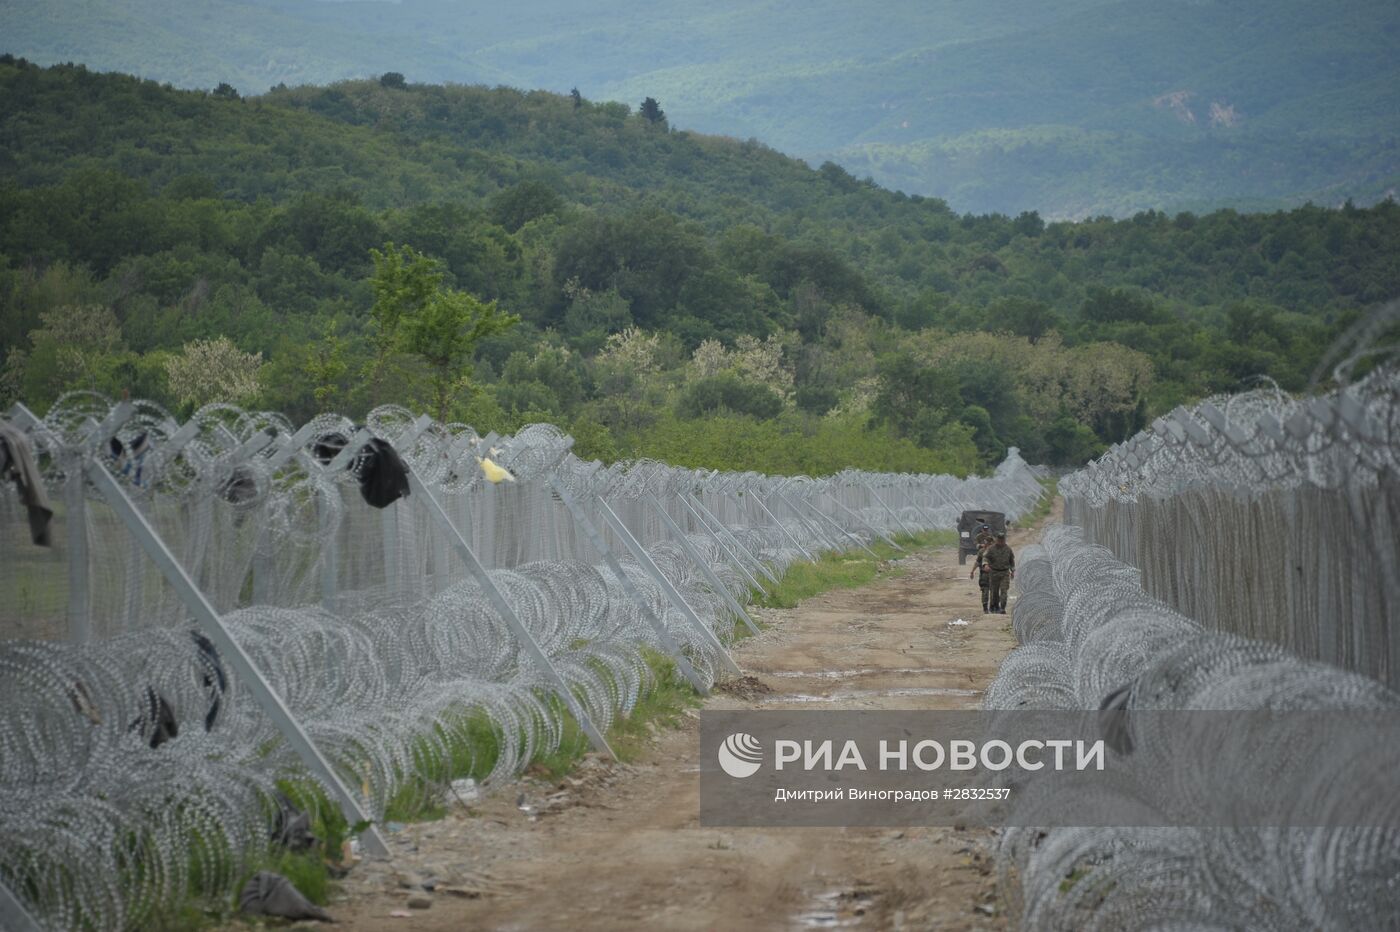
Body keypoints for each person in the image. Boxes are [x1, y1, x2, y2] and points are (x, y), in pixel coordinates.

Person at [983, 530, 1015, 614]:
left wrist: (1013, 570)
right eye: (999, 540)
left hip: (1004, 573)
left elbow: (1011, 561)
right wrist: (985, 565)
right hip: (994, 573)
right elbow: (985, 557)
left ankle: (1002, 607)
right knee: (994, 592)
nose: (1001, 542)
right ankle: (994, 606)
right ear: (996, 540)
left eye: (1002, 540)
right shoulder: (991, 549)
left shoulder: (1008, 549)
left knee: (1004, 591)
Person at [969, 548, 992, 613]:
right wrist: (972, 571)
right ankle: (985, 608)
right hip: (984, 575)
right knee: (985, 591)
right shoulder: (982, 551)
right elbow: (977, 562)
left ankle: (994, 607)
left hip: (994, 575)